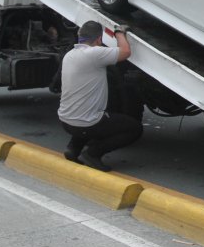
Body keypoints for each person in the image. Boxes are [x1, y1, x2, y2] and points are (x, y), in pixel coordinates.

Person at [58, 20, 142, 171]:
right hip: (85, 124)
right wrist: (119, 33)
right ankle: (92, 154)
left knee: (86, 112)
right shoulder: (95, 53)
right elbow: (125, 52)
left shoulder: (69, 55)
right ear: (98, 40)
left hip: (65, 120)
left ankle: (73, 149)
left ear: (80, 36)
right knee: (134, 128)